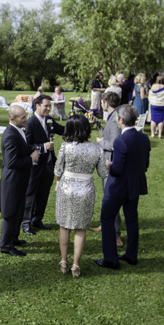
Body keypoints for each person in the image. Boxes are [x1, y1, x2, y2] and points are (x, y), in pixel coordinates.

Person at [95, 104, 150, 269]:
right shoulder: (144, 138)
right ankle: (131, 255)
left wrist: (109, 165)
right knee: (132, 219)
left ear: (121, 120)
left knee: (107, 217)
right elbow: (145, 165)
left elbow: (118, 169)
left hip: (118, 187)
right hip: (135, 184)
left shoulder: (120, 141)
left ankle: (111, 259)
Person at [55, 115, 107, 277]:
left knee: (64, 225)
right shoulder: (96, 148)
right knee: (80, 227)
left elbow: (57, 170)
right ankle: (76, 264)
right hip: (85, 190)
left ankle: (64, 261)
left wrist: (60, 180)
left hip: (66, 188)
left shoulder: (65, 146)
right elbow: (103, 173)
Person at [0, 104, 40, 256]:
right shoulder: (10, 135)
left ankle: (14, 237)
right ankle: (6, 245)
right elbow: (11, 162)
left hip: (20, 179)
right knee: (11, 213)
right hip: (12, 181)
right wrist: (30, 159)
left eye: (25, 116)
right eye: (23, 117)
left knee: (18, 210)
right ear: (12, 119)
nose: (26, 120)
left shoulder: (18, 130)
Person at [22, 94, 66, 235]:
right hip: (35, 165)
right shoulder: (30, 123)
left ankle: (37, 219)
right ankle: (26, 222)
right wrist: (43, 147)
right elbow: (26, 146)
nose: (49, 108)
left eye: (49, 105)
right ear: (37, 105)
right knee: (31, 193)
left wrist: (78, 124)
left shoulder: (49, 120)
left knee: (44, 193)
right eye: (46, 105)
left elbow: (63, 130)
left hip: (48, 164)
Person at [95, 91, 123, 245]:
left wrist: (100, 141)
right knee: (107, 196)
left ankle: (115, 233)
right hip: (106, 162)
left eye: (102, 103)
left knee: (111, 198)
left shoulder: (114, 120)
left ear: (106, 103)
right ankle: (105, 224)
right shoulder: (112, 117)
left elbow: (115, 144)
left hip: (111, 164)